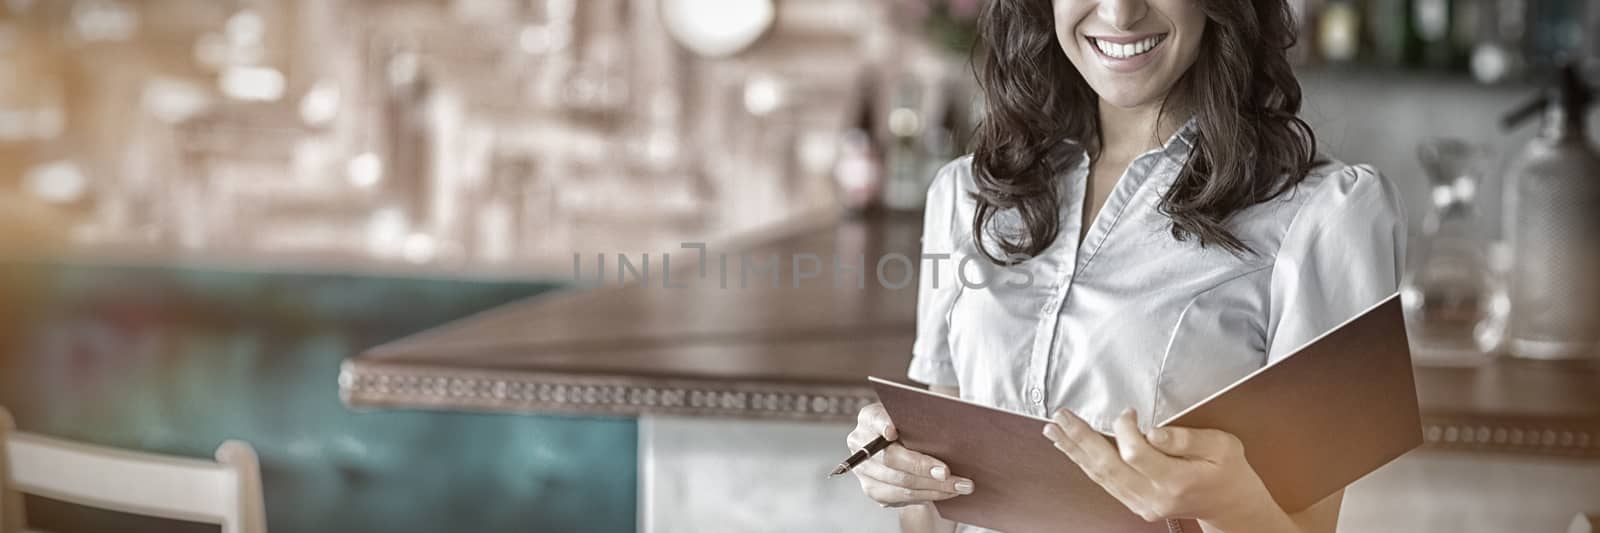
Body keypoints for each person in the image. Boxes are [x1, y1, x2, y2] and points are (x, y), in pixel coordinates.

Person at [845, 0, 1407, 532]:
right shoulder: (967, 194)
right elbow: (937, 511)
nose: (1119, 12)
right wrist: (900, 473)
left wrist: (1232, 503)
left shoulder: (1332, 217)